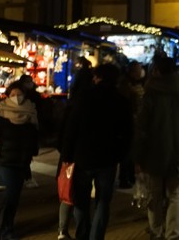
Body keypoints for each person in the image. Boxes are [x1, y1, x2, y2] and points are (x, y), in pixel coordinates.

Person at [61, 63, 133, 240]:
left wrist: (66, 154)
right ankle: (97, 236)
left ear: (97, 77)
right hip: (108, 158)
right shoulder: (121, 100)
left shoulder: (83, 97)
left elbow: (71, 127)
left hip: (82, 156)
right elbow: (127, 132)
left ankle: (82, 234)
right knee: (103, 201)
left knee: (81, 200)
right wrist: (121, 155)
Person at [133, 53, 179, 240]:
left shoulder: (151, 94)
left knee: (154, 195)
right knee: (175, 195)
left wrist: (138, 155)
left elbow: (141, 127)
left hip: (154, 152)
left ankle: (156, 231)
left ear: (157, 71)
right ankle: (173, 233)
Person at [0, 81, 40, 240]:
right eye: (13, 95)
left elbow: (34, 135)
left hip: (22, 161)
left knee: (14, 198)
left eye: (19, 94)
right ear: (7, 96)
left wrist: (32, 150)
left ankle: (7, 229)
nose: (16, 98)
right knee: (7, 195)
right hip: (5, 161)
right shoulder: (1, 113)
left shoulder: (30, 112)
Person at [56, 60, 94, 240]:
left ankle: (63, 231)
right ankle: (82, 232)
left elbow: (63, 133)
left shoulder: (71, 105)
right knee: (80, 196)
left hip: (68, 155)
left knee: (68, 192)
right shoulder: (93, 104)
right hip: (84, 156)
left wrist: (64, 154)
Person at [118, 60, 146, 188]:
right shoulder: (126, 84)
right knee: (128, 151)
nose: (141, 71)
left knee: (132, 150)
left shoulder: (136, 83)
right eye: (138, 69)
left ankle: (129, 175)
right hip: (129, 121)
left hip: (136, 121)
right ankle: (125, 177)